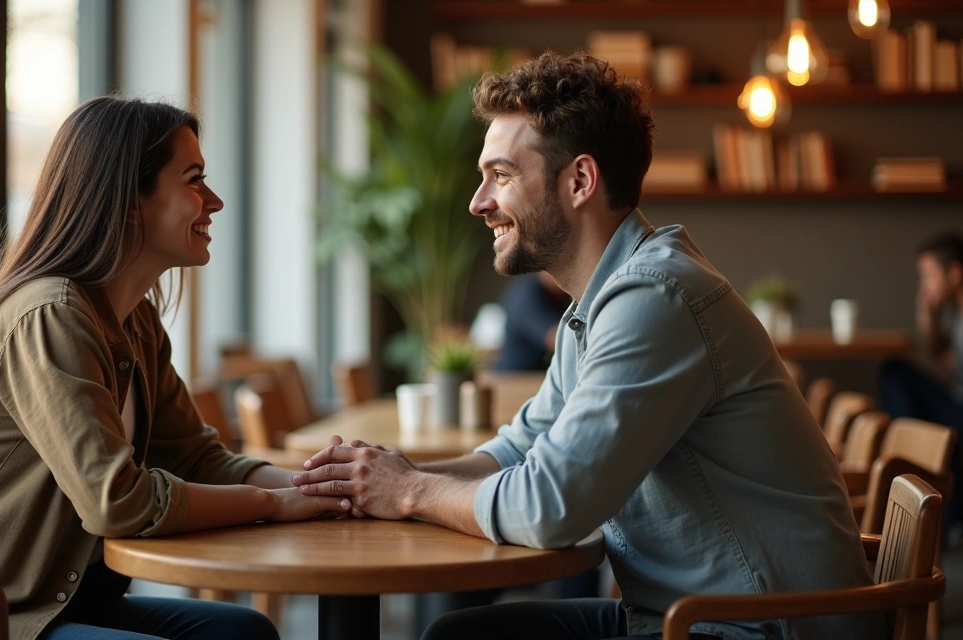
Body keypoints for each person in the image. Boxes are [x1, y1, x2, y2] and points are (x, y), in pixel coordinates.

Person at [293, 53, 882, 639]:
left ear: (579, 181)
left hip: (759, 627)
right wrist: (387, 478)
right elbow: (521, 449)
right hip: (687, 615)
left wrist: (410, 491)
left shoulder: (654, 299)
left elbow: (550, 507)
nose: (478, 202)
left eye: (500, 175)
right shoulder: (597, 305)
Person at [0, 98, 350, 640]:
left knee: (242, 633)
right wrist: (271, 504)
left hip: (34, 604)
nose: (215, 201)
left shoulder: (136, 320)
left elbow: (194, 457)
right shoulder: (50, 315)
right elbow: (118, 503)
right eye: (194, 180)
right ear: (129, 201)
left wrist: (317, 489)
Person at [879, 232, 963, 529]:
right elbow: (944, 356)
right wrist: (926, 314)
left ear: (954, 273)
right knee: (895, 373)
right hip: (955, 402)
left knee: (895, 376)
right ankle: (915, 461)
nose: (924, 284)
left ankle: (915, 464)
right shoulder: (955, 313)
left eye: (928, 275)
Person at [494, 272, 572, 372]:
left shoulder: (559, 294)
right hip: (517, 378)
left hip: (538, 374)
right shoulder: (526, 296)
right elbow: (555, 338)